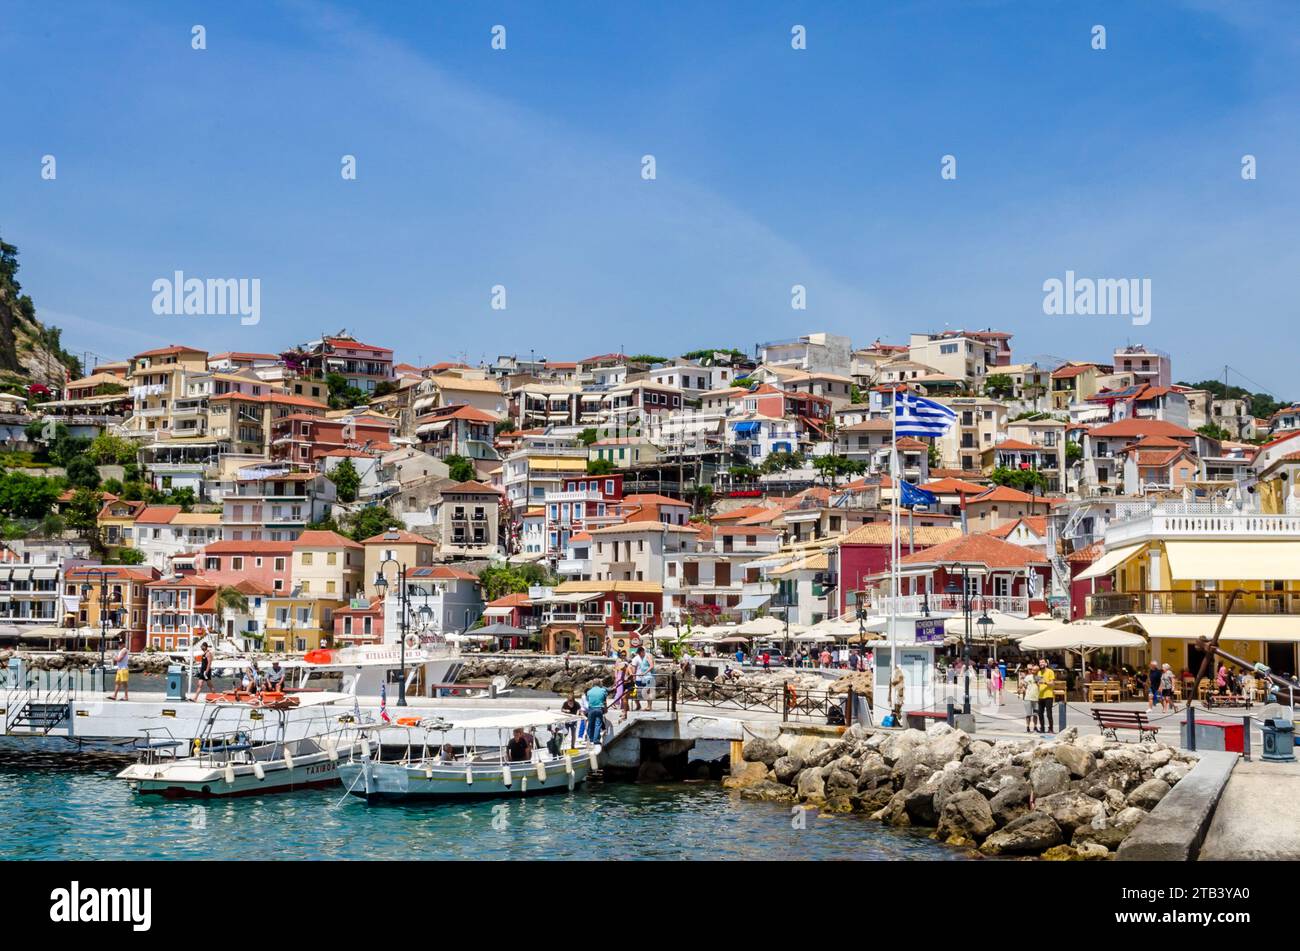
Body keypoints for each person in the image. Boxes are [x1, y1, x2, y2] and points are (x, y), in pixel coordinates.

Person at [633, 646, 656, 711]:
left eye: (639, 653)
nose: (639, 655)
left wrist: (644, 673)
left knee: (648, 691)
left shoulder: (647, 656)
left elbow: (651, 666)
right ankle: (648, 706)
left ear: (642, 651)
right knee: (647, 691)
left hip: (649, 676)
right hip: (646, 677)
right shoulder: (643, 657)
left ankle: (649, 706)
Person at [1021, 662, 1041, 733]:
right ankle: (1027, 727)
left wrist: (1038, 681)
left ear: (1038, 671)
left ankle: (1035, 727)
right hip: (1028, 698)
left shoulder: (1039, 678)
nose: (1033, 671)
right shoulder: (1027, 677)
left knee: (1035, 714)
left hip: (1036, 698)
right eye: (1032, 670)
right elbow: (1023, 685)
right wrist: (1022, 687)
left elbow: (1041, 686)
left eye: (1035, 670)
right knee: (1028, 714)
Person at [1037, 661, 1056, 733]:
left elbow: (1052, 683)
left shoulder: (1050, 671)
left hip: (1048, 695)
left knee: (1049, 714)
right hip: (1040, 695)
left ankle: (1051, 728)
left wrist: (1045, 682)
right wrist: (1038, 683)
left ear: (1046, 664)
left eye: (1042, 662)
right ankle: (1042, 728)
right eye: (1040, 663)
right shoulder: (1039, 672)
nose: (1041, 664)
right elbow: (1038, 683)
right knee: (1040, 713)